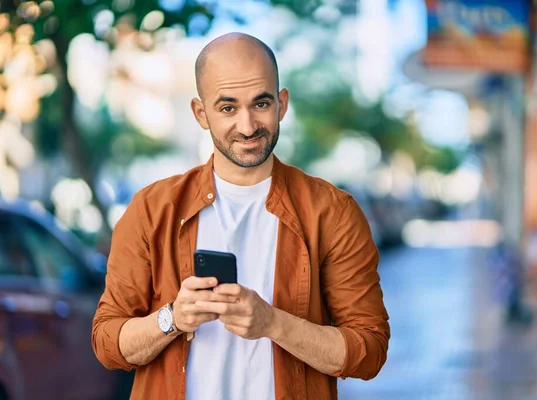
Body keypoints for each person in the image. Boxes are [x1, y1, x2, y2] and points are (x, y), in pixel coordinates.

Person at [92, 32, 390, 400]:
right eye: (228, 108)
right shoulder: (151, 210)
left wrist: (273, 323)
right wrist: (172, 318)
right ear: (201, 113)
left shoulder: (332, 212)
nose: (248, 127)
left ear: (282, 103)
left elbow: (369, 350)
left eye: (261, 103)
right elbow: (107, 343)